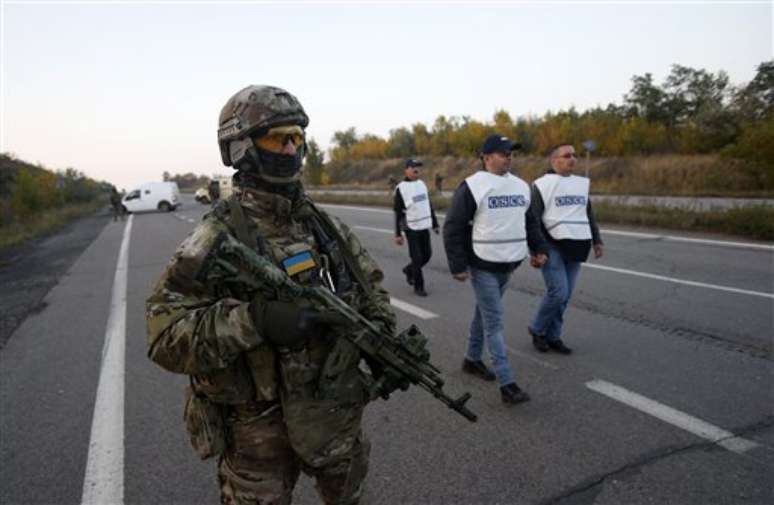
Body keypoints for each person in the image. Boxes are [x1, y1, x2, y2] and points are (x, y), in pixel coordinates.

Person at [145, 85, 398, 505]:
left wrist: (381, 343)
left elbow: (372, 293)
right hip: (256, 438)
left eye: (297, 137)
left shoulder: (324, 228)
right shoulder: (215, 238)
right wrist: (255, 321)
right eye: (277, 137)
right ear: (241, 146)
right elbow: (163, 336)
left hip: (334, 421)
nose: (290, 147)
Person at [442, 134, 548, 405]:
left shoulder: (522, 186)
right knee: (495, 322)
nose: (509, 157)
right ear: (486, 158)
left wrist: (539, 250)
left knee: (485, 312)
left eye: (511, 153)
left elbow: (530, 222)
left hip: (510, 262)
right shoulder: (473, 186)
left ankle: (471, 359)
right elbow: (453, 227)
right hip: (483, 264)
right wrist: (458, 265)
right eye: (503, 153)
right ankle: (507, 383)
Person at [528, 143, 604, 354]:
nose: (573, 159)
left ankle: (554, 336)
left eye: (574, 155)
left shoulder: (580, 185)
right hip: (550, 246)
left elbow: (587, 214)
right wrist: (536, 251)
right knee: (558, 292)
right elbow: (532, 220)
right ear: (554, 161)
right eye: (567, 155)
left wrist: (597, 240)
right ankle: (537, 329)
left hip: (576, 244)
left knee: (566, 296)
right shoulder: (541, 185)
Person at [393, 158, 439, 297]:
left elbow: (428, 205)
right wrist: (398, 234)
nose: (416, 169)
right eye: (413, 167)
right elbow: (398, 212)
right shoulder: (401, 188)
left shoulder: (422, 184)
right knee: (417, 257)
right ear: (406, 170)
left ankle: (409, 269)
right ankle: (419, 287)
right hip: (410, 226)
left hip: (424, 225)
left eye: (418, 167)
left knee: (427, 255)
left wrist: (435, 223)